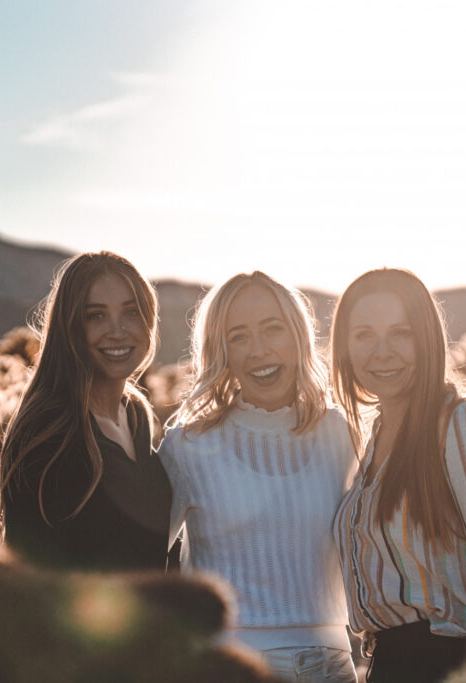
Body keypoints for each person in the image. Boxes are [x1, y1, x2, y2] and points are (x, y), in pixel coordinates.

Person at [330, 268, 466, 683]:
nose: (381, 351)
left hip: (452, 663)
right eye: (364, 335)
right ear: (345, 348)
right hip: (389, 664)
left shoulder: (465, 424)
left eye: (401, 333)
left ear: (427, 341)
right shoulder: (372, 442)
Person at [159, 271, 358, 683]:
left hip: (333, 665)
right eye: (239, 337)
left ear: (299, 337)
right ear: (221, 352)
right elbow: (138, 558)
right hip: (230, 665)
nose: (259, 350)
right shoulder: (188, 446)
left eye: (273, 329)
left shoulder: (342, 434)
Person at [0, 251, 173, 571]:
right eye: (95, 316)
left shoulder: (136, 415)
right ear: (69, 327)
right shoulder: (50, 434)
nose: (117, 330)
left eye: (131, 312)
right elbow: (32, 576)